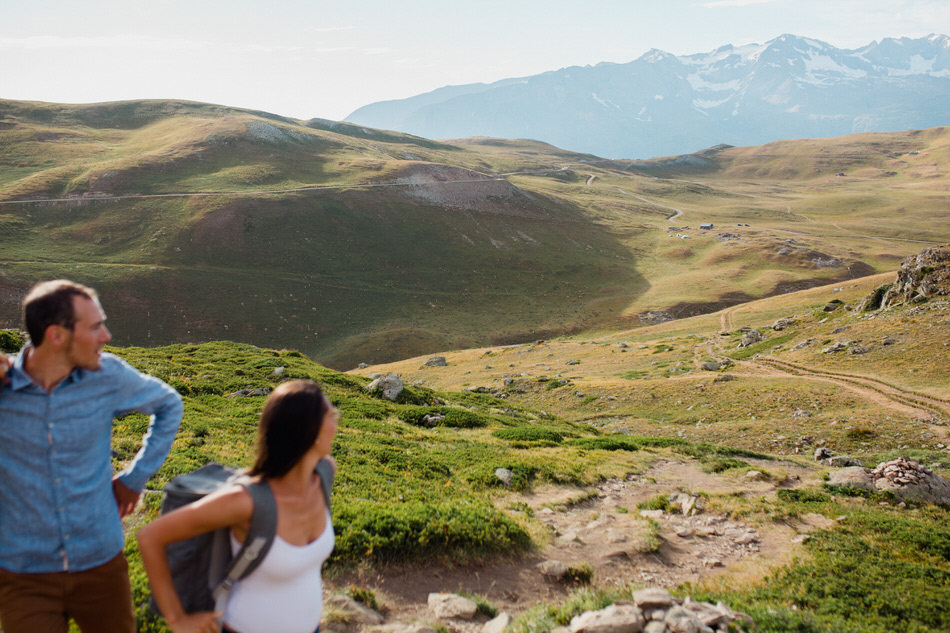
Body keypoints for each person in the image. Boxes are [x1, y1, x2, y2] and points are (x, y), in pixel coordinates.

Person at [0, 279, 184, 633]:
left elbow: (169, 403)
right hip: (23, 574)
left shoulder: (109, 375)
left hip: (100, 563)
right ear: (56, 335)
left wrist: (136, 477)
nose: (107, 336)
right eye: (96, 326)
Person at [137, 379, 338, 633]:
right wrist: (177, 619)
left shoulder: (324, 474)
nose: (337, 424)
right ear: (311, 431)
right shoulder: (245, 501)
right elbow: (150, 537)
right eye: (332, 416)